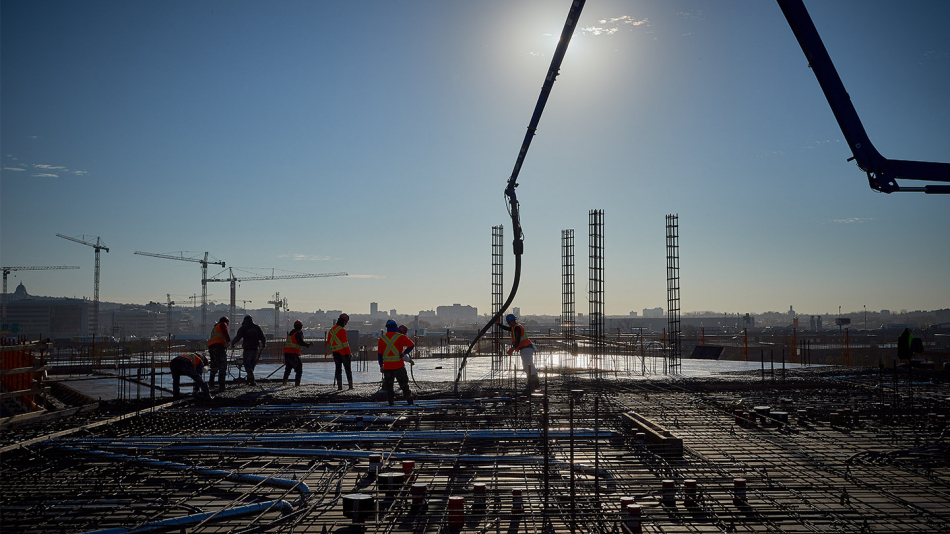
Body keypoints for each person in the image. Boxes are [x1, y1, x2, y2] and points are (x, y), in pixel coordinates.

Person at [497, 313, 539, 392]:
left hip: (526, 348)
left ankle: (533, 382)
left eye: (509, 323)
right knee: (527, 365)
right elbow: (507, 328)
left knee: (528, 365)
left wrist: (512, 349)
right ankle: (533, 382)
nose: (509, 325)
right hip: (525, 348)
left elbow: (518, 340)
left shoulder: (517, 328)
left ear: (511, 322)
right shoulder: (514, 327)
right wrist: (498, 324)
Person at [378, 319, 415, 406]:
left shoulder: (382, 339)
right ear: (395, 327)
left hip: (387, 368)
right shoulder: (400, 336)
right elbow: (411, 345)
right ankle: (410, 402)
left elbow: (379, 354)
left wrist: (381, 365)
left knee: (389, 388)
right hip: (399, 367)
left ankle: (391, 403)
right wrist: (404, 353)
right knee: (404, 386)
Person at [231, 315, 266, 386]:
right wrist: (264, 344)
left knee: (247, 365)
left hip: (247, 350)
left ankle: (251, 379)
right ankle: (249, 380)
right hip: (255, 349)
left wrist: (232, 343)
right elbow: (262, 337)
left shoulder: (243, 328)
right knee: (252, 365)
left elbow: (238, 337)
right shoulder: (257, 327)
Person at [327, 313, 353, 390]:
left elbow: (328, 342)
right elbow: (345, 344)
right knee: (348, 370)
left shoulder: (331, 330)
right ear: (344, 322)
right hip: (344, 353)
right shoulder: (342, 330)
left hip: (335, 353)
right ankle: (350, 386)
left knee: (338, 370)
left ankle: (339, 387)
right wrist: (349, 353)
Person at [283, 320, 311, 386]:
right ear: (301, 327)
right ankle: (297, 384)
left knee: (288, 369)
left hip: (287, 354)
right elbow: (300, 342)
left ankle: (284, 382)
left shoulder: (291, 334)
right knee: (299, 369)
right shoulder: (297, 333)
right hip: (293, 354)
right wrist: (307, 344)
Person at [207, 316, 231, 390]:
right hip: (218, 348)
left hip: (212, 348)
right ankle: (222, 385)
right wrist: (229, 341)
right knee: (222, 366)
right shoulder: (222, 324)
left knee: (214, 366)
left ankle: (211, 384)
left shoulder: (215, 328)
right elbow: (225, 332)